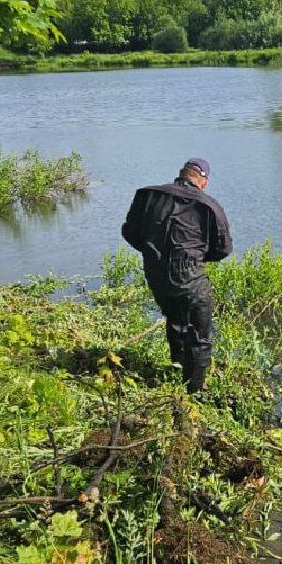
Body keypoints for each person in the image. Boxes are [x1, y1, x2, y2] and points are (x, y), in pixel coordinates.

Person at [120, 157, 231, 393]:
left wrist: (155, 254)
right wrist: (195, 258)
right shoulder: (209, 205)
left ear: (181, 173)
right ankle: (194, 392)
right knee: (200, 337)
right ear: (203, 182)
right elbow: (223, 249)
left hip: (156, 276)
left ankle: (177, 372)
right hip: (191, 277)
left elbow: (129, 232)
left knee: (177, 321)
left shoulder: (147, 195)